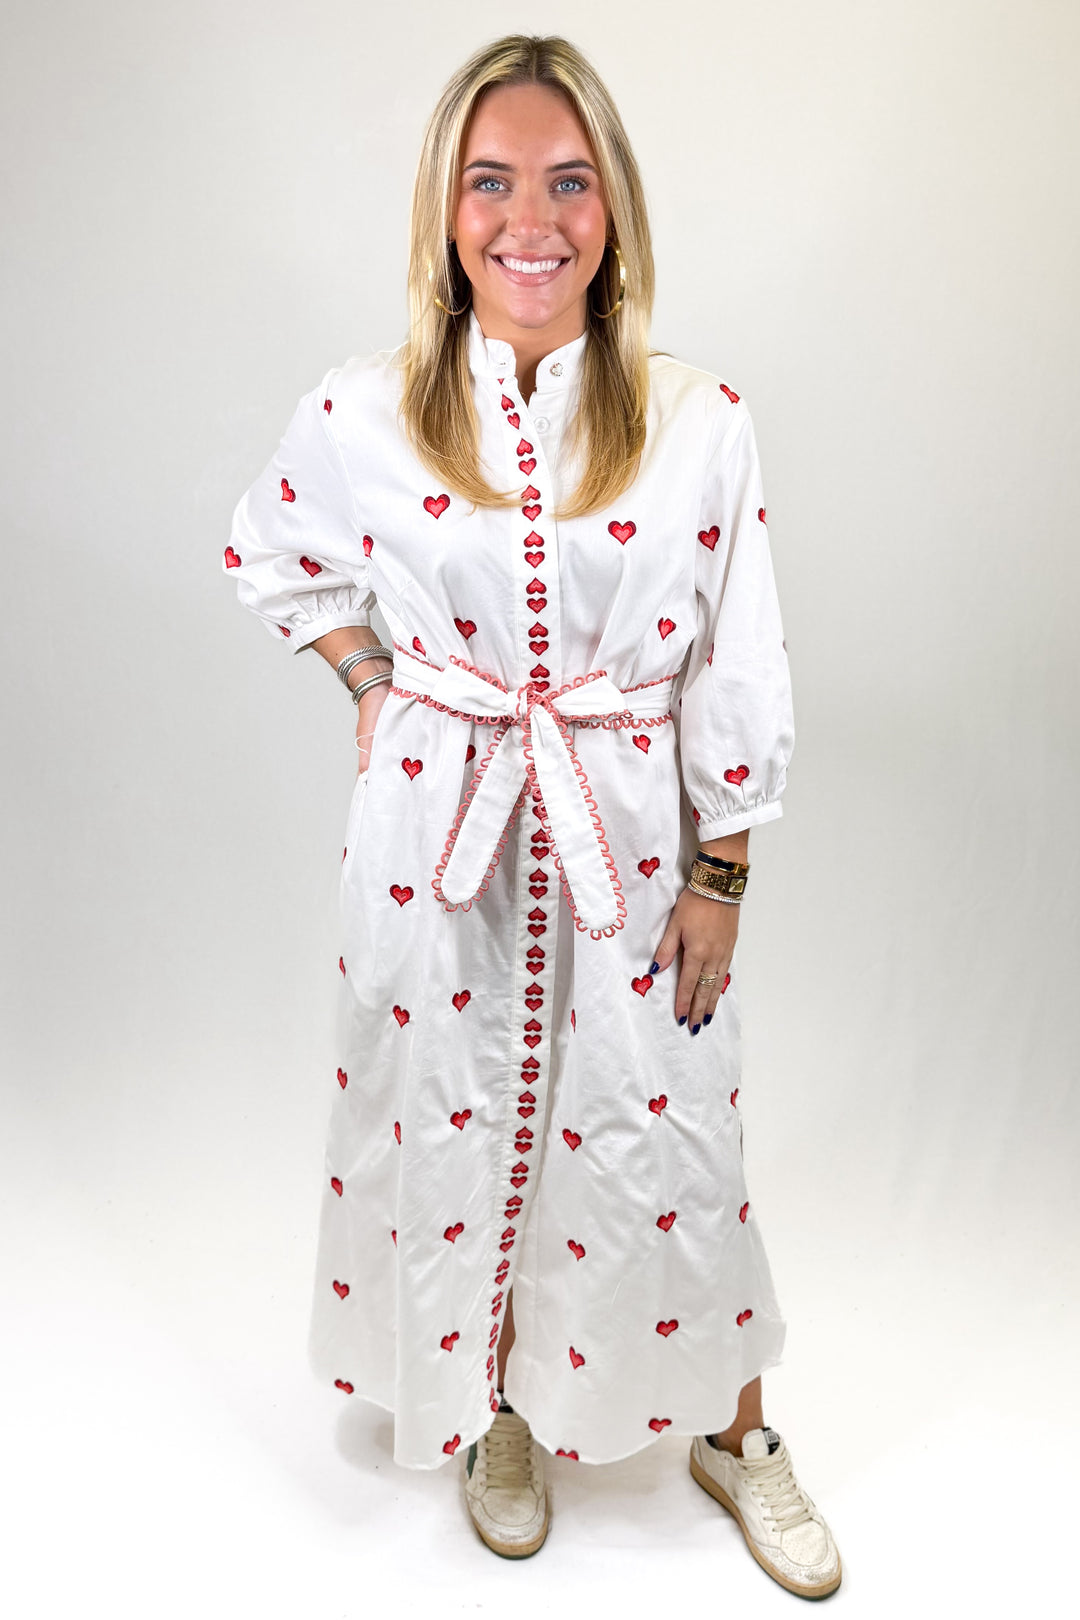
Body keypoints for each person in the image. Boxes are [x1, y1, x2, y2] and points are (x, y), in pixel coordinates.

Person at [222, 32, 841, 1600]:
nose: (530, 221)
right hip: (437, 832)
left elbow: (737, 650)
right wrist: (375, 681)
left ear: (613, 210)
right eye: (490, 182)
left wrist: (722, 870)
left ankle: (738, 1434)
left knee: (670, 1123)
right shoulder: (365, 410)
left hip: (629, 832)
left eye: (569, 182)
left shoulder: (697, 418)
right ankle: (493, 1409)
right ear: (445, 212)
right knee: (458, 1108)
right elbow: (271, 548)